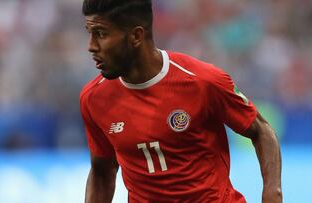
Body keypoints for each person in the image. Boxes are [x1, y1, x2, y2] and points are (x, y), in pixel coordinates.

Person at [80, 0, 282, 202]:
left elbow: (261, 131)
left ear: (136, 36)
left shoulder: (203, 81)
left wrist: (272, 194)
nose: (91, 46)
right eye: (90, 33)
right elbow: (102, 172)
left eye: (101, 34)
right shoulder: (94, 98)